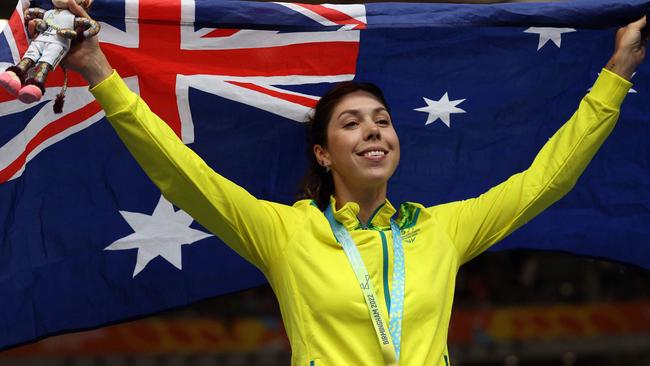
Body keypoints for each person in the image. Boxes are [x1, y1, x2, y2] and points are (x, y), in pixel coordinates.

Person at [57, 0, 647, 364]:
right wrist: (101, 74)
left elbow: (548, 178)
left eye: (383, 121)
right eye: (352, 123)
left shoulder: (444, 230)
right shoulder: (283, 233)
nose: (374, 132)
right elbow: (182, 175)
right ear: (324, 153)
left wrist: (617, 70)